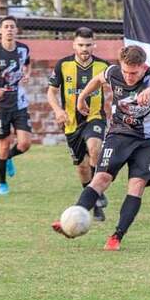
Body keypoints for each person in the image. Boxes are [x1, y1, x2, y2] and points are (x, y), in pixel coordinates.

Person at [52, 45, 150, 251]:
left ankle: (117, 236)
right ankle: (74, 218)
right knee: (101, 178)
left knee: (136, 186)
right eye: (125, 71)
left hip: (145, 141)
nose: (128, 77)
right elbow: (98, 79)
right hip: (118, 136)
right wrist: (82, 98)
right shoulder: (114, 72)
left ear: (143, 67)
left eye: (133, 73)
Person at [47, 27, 112, 221]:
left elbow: (117, 88)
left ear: (94, 45)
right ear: (74, 45)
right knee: (82, 168)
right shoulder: (63, 65)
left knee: (94, 148)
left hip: (94, 117)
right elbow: (51, 92)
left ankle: (97, 195)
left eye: (88, 45)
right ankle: (94, 199)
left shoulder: (103, 66)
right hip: (71, 123)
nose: (85, 48)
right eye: (81, 45)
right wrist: (58, 111)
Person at [0, 15, 33, 195]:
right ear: (0, 30)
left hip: (19, 102)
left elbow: (27, 65)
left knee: (24, 143)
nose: (9, 29)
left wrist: (26, 74)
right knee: (3, 144)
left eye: (12, 26)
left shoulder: (24, 49)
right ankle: (2, 183)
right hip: (0, 105)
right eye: (6, 26)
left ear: (17, 30)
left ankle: (9, 157)